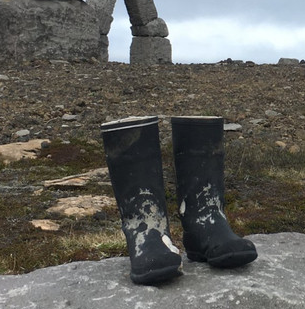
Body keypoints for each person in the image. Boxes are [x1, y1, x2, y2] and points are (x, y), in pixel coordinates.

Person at [100, 115, 257, 285]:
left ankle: (204, 226)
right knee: (129, 134)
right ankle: (146, 233)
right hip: (145, 234)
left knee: (201, 129)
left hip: (208, 224)